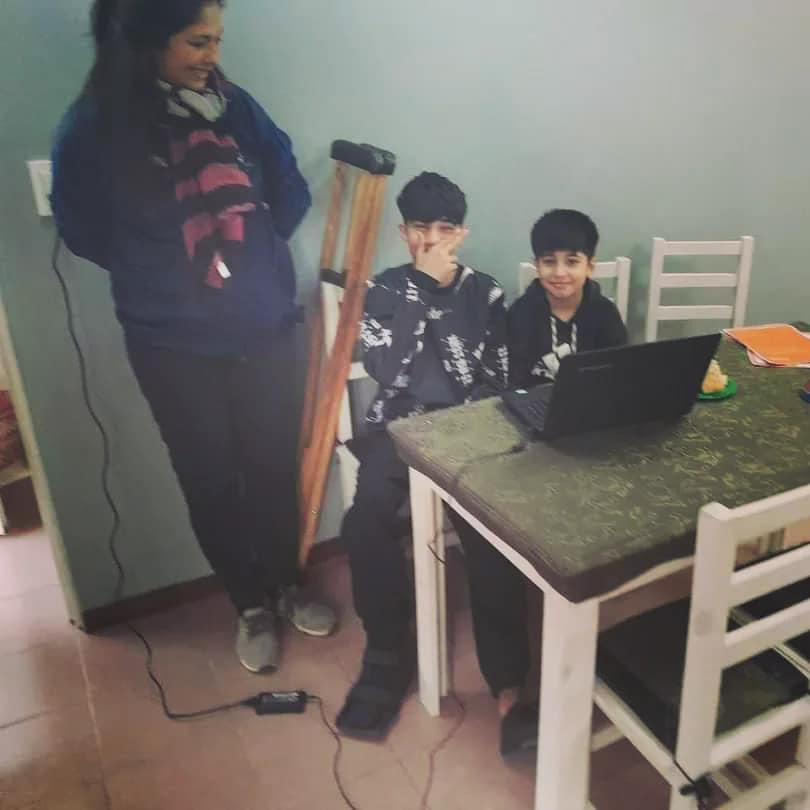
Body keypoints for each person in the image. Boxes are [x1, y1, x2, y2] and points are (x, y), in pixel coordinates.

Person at [51, 0, 335, 674]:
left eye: (217, 40)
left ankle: (287, 584)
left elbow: (288, 184)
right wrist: (163, 270)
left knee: (271, 466)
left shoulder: (235, 108)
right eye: (197, 41)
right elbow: (84, 229)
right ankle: (250, 604)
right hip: (172, 344)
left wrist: (251, 249)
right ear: (149, 42)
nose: (213, 55)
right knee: (210, 479)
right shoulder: (94, 128)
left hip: (265, 326)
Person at [337, 172, 536, 757]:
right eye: (420, 229)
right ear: (403, 232)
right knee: (365, 518)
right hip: (399, 429)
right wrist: (421, 289)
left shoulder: (486, 293)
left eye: (444, 230)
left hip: (468, 430)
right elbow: (385, 371)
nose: (431, 240)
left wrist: (473, 430)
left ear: (461, 234)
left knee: (491, 528)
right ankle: (386, 648)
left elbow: (499, 377)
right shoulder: (386, 290)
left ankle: (509, 684)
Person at [509, 209, 628, 389]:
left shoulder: (605, 313)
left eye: (572, 262)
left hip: (593, 399)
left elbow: (619, 373)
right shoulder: (520, 313)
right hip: (534, 401)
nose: (559, 273)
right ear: (537, 266)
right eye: (549, 261)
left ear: (589, 267)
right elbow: (515, 381)